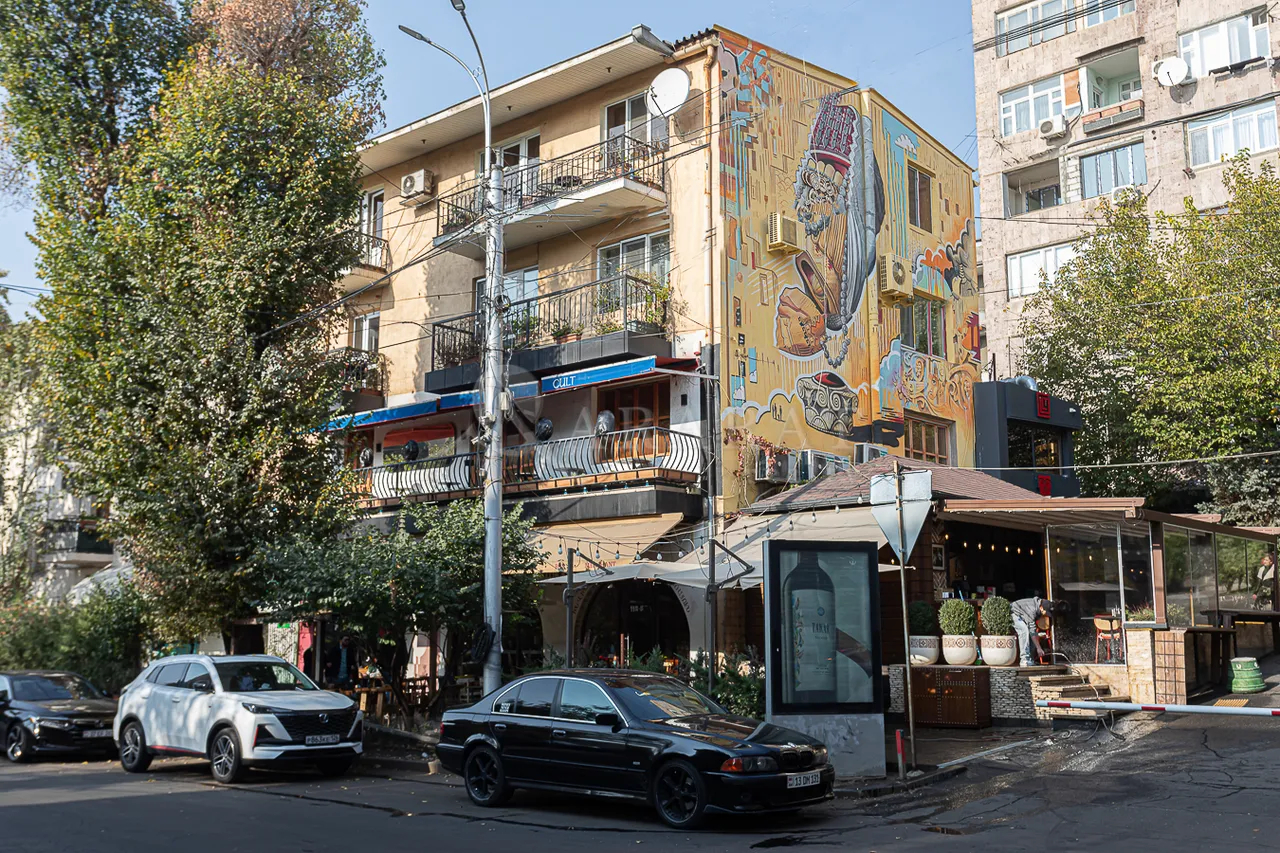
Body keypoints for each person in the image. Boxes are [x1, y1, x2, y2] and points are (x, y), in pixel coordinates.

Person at [1011, 596, 1056, 667]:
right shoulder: (1032, 609)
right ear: (1041, 607)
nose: (1045, 614)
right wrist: (1039, 648)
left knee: (1032, 635)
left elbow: (1033, 632)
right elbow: (1032, 631)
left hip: (1022, 615)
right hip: (1013, 612)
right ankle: (1024, 659)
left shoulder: (1039, 610)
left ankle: (1031, 659)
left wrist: (1037, 645)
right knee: (1024, 631)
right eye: (1045, 612)